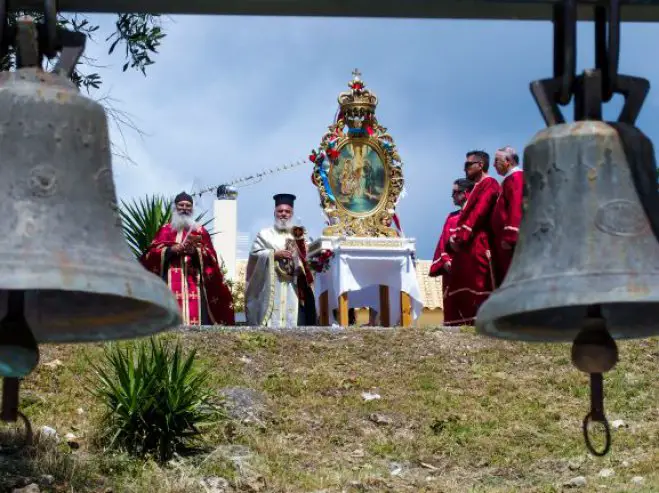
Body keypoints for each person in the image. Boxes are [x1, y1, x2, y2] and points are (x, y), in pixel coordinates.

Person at [140, 192, 235, 325]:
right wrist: (171, 250)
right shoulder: (165, 230)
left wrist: (196, 252)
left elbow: (211, 257)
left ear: (192, 209)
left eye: (188, 206)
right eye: (181, 205)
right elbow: (150, 255)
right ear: (175, 207)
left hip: (194, 282)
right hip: (169, 281)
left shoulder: (200, 231)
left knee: (198, 320)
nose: (184, 208)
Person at [445, 150, 501, 326]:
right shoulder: (476, 187)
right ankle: (465, 322)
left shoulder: (490, 184)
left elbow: (479, 212)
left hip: (480, 242)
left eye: (468, 164)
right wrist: (454, 239)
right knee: (463, 283)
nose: (465, 168)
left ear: (481, 165)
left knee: (479, 283)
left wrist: (461, 235)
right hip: (467, 243)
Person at [245, 194, 317, 327]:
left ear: (292, 214)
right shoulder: (264, 234)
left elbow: (309, 258)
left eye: (287, 211)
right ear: (275, 212)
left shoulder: (300, 234)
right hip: (272, 284)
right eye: (280, 211)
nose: (283, 214)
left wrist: (299, 253)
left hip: (293, 286)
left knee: (295, 318)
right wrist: (273, 254)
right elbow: (254, 255)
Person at [429, 178, 474, 326]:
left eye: (455, 192)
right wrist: (446, 260)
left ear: (466, 193)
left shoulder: (476, 216)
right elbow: (443, 242)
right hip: (451, 270)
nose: (452, 196)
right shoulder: (451, 217)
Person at [491, 146, 524, 286]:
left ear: (508, 161)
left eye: (497, 160)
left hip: (511, 244)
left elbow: (516, 205)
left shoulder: (516, 178)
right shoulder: (509, 180)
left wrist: (511, 236)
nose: (494, 164)